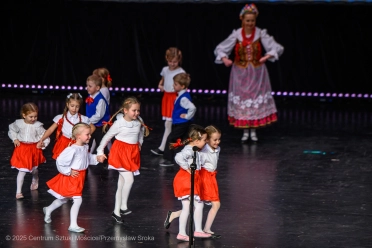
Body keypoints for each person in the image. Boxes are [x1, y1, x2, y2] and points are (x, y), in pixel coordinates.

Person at [214, 3, 284, 142]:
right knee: (244, 99)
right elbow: (221, 48)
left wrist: (266, 56)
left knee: (254, 99)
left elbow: (276, 47)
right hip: (240, 72)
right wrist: (224, 58)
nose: (250, 23)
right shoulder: (237, 34)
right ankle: (246, 130)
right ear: (242, 20)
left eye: (252, 20)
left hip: (257, 72)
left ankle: (254, 131)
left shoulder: (260, 33)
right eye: (247, 20)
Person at [96, 96, 150, 223]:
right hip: (120, 153)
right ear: (125, 110)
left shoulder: (139, 121)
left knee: (121, 184)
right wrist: (100, 151)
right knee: (129, 179)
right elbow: (107, 137)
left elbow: (141, 133)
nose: (136, 113)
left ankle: (116, 212)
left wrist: (139, 144)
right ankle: (123, 206)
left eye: (138, 110)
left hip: (132, 153)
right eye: (134, 110)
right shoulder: (119, 123)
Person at [163, 125, 222, 239]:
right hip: (188, 180)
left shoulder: (195, 149)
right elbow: (179, 157)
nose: (205, 143)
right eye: (205, 140)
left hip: (192, 179)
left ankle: (183, 232)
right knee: (197, 205)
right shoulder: (192, 150)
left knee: (190, 208)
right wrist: (187, 168)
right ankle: (198, 230)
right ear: (197, 141)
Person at [43, 123, 103, 233]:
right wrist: (68, 171)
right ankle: (73, 225)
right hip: (72, 177)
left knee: (63, 199)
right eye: (87, 134)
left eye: (90, 134)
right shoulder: (72, 149)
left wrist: (96, 158)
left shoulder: (85, 147)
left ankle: (48, 209)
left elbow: (87, 158)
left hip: (80, 177)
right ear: (78, 136)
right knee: (77, 199)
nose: (90, 136)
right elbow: (60, 161)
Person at [8, 102, 50, 199]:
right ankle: (18, 192)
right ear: (24, 115)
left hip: (33, 149)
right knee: (21, 171)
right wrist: (14, 138)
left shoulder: (38, 126)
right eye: (31, 117)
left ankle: (35, 179)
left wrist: (42, 143)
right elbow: (11, 129)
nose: (33, 119)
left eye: (35, 116)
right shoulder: (18, 124)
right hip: (22, 149)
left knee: (34, 169)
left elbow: (45, 136)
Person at [37, 93, 95, 159]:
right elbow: (50, 130)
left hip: (77, 143)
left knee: (76, 162)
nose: (74, 108)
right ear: (67, 104)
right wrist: (42, 139)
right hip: (64, 143)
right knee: (63, 162)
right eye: (72, 106)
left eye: (77, 106)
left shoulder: (83, 118)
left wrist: (84, 136)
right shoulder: (61, 117)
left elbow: (92, 127)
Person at [151, 47, 185, 156]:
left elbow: (184, 85)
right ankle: (165, 147)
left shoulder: (180, 72)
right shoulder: (165, 69)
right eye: (170, 61)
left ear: (179, 60)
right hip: (166, 97)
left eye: (175, 61)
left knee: (169, 123)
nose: (172, 64)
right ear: (167, 59)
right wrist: (160, 85)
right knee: (168, 124)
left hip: (174, 98)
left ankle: (163, 148)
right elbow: (164, 78)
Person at [159, 73, 196, 166]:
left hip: (182, 123)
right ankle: (189, 158)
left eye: (175, 84)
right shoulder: (181, 95)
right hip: (180, 122)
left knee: (171, 138)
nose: (173, 85)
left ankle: (168, 159)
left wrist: (187, 116)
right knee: (185, 140)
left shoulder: (183, 98)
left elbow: (192, 108)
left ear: (182, 86)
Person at [85, 74, 110, 153]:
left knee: (101, 144)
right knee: (88, 141)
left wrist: (88, 121)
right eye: (87, 86)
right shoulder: (90, 96)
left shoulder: (100, 100)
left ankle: (103, 160)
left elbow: (99, 115)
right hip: (91, 125)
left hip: (100, 126)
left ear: (97, 88)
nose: (87, 88)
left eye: (90, 86)